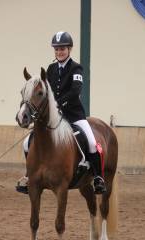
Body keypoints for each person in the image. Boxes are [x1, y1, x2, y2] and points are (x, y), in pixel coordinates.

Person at [16, 31, 106, 195]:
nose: (59, 52)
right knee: (26, 142)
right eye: (57, 49)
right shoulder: (50, 69)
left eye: (62, 49)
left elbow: (75, 91)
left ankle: (98, 177)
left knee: (93, 143)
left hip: (74, 115)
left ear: (69, 49)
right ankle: (30, 175)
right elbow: (45, 92)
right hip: (54, 117)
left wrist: (58, 104)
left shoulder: (76, 68)